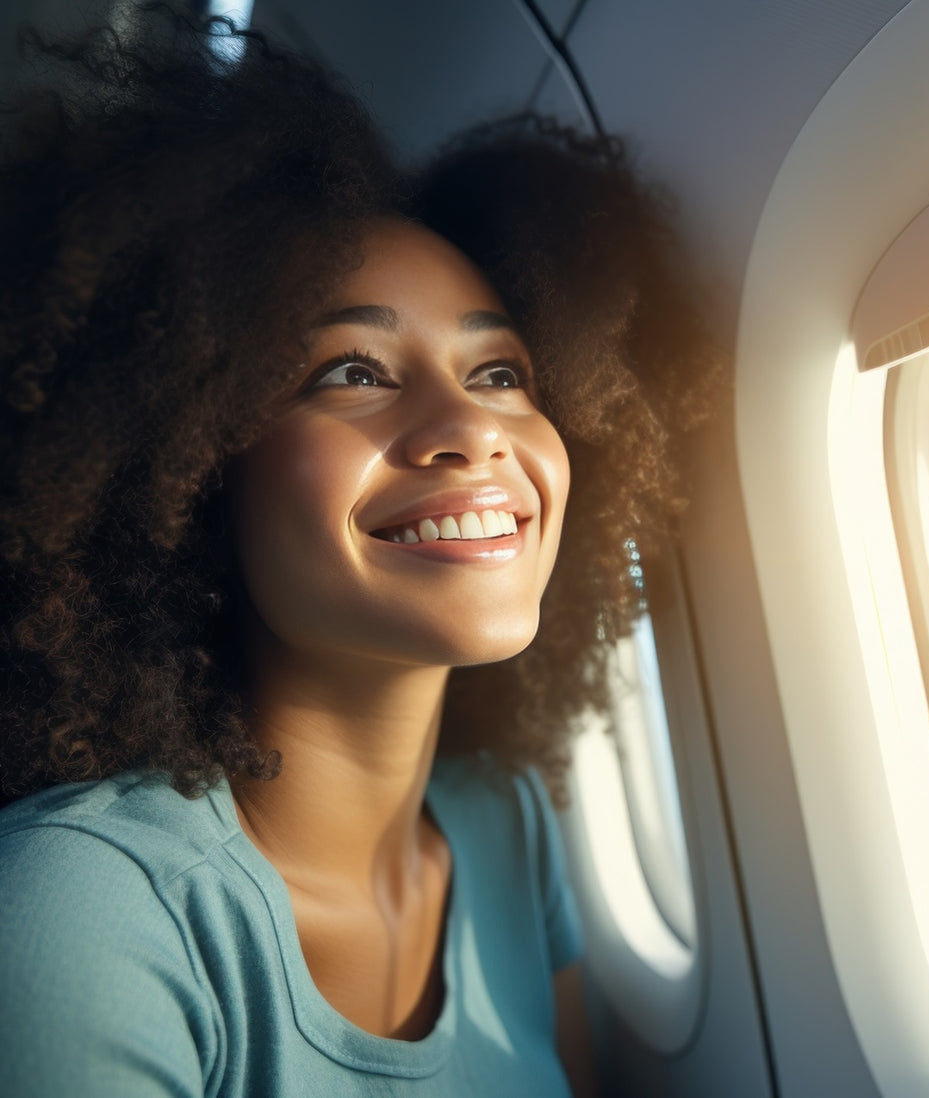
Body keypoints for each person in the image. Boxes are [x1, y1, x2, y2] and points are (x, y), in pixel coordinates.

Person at [0, 7, 721, 1096]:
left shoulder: (506, 827)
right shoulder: (82, 912)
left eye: (499, 375)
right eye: (353, 373)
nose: (470, 427)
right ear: (192, 469)